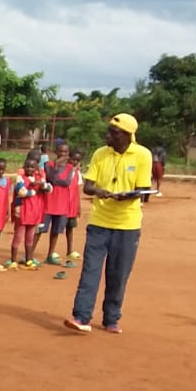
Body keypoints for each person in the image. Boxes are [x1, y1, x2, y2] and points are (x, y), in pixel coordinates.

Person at [64, 114, 153, 334]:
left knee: (118, 275)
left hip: (127, 225)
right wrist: (100, 191)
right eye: (109, 131)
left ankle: (111, 318)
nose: (108, 136)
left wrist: (127, 196)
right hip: (99, 222)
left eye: (114, 132)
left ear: (127, 135)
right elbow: (88, 186)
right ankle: (81, 316)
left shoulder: (143, 155)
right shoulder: (100, 154)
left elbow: (143, 190)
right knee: (90, 271)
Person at [9, 152, 47, 269]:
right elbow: (22, 192)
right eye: (28, 167)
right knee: (18, 236)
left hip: (33, 211)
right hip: (22, 211)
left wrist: (42, 185)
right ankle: (13, 260)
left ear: (36, 168)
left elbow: (49, 188)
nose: (30, 169)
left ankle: (29, 259)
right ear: (24, 167)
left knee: (30, 237)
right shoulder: (20, 178)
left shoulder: (39, 178)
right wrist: (35, 190)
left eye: (32, 167)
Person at [43, 142, 76, 266]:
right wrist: (56, 166)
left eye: (65, 152)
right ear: (56, 152)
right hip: (48, 203)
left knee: (55, 231)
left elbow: (66, 183)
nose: (63, 154)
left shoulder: (70, 167)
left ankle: (50, 255)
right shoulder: (49, 165)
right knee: (39, 230)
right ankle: (28, 255)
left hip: (61, 204)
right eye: (60, 151)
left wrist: (55, 179)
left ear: (68, 153)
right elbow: (49, 178)